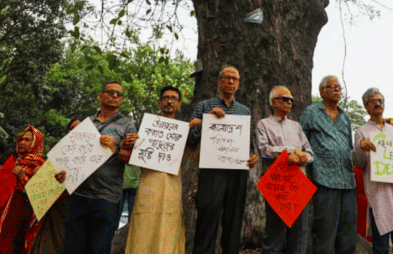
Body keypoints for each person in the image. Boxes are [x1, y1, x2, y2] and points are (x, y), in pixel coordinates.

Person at [187, 65, 259, 254]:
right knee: (207, 218)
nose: (230, 82)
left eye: (234, 79)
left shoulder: (244, 111)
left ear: (238, 85)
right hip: (211, 171)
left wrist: (252, 157)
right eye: (227, 78)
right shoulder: (204, 106)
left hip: (237, 173)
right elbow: (190, 139)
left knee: (234, 221)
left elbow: (249, 143)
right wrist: (206, 120)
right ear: (219, 81)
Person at [61, 81, 138, 254]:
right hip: (79, 194)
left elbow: (132, 159)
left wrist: (115, 149)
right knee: (72, 248)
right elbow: (70, 155)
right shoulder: (86, 123)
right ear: (100, 96)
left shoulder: (127, 125)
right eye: (111, 92)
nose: (115, 96)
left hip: (107, 197)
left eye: (119, 94)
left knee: (99, 249)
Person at [354, 88, 393, 254]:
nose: (377, 104)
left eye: (380, 100)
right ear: (366, 107)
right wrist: (362, 148)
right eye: (373, 101)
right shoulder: (362, 131)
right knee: (381, 246)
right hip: (379, 195)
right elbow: (359, 163)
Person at [125, 86, 187, 254]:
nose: (169, 101)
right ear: (160, 103)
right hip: (148, 184)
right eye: (166, 98)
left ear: (179, 104)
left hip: (172, 185)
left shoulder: (184, 131)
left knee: (169, 225)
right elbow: (132, 158)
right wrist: (130, 145)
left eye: (173, 98)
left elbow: (194, 156)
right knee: (144, 224)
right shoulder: (147, 128)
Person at [299, 75, 357, 254]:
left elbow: (349, 145)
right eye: (332, 87)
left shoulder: (345, 116)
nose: (337, 90)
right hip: (324, 179)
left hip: (347, 180)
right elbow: (302, 142)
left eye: (339, 87)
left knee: (347, 232)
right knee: (325, 230)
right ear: (322, 91)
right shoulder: (311, 112)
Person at [256, 86, 313, 254]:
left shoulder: (296, 126)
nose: (290, 102)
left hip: (298, 182)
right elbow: (264, 149)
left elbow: (309, 152)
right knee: (275, 232)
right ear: (274, 102)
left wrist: (302, 157)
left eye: (291, 100)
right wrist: (290, 151)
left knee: (299, 233)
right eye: (285, 99)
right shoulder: (264, 124)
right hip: (277, 182)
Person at [0, 126, 46, 254]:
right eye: (21, 139)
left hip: (20, 219)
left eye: (27, 140)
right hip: (1, 218)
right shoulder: (14, 163)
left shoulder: (41, 167)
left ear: (36, 143)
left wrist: (22, 177)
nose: (22, 142)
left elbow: (39, 198)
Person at [28, 118, 82, 254]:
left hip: (80, 206)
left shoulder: (94, 154)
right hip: (56, 205)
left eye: (79, 127)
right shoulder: (59, 152)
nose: (75, 130)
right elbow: (47, 178)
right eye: (71, 128)